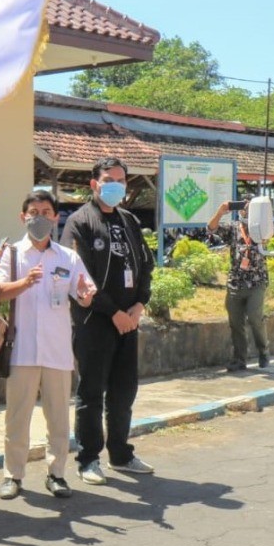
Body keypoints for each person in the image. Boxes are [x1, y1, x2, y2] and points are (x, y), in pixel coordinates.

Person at [0, 191, 96, 500]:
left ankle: (57, 474)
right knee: (17, 418)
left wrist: (87, 294)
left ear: (55, 217)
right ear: (22, 217)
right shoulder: (11, 254)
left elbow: (84, 292)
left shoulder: (68, 257)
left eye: (46, 211)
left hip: (57, 351)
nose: (39, 217)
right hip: (21, 350)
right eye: (33, 211)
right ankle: (13, 475)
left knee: (58, 419)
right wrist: (23, 284)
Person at [61, 156, 155, 486]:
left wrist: (139, 305)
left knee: (124, 391)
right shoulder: (80, 222)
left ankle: (121, 454)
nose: (115, 185)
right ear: (94, 184)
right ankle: (88, 459)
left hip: (128, 322)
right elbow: (78, 275)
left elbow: (146, 266)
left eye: (121, 180)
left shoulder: (128, 220)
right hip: (94, 322)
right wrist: (113, 312)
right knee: (91, 392)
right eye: (108, 179)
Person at [208, 201, 270, 371]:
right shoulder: (234, 227)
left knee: (254, 317)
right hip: (236, 281)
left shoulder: (262, 228)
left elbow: (268, 236)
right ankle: (239, 359)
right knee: (236, 322)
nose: (245, 210)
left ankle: (263, 351)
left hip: (256, 281)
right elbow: (211, 228)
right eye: (243, 207)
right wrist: (220, 212)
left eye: (250, 207)